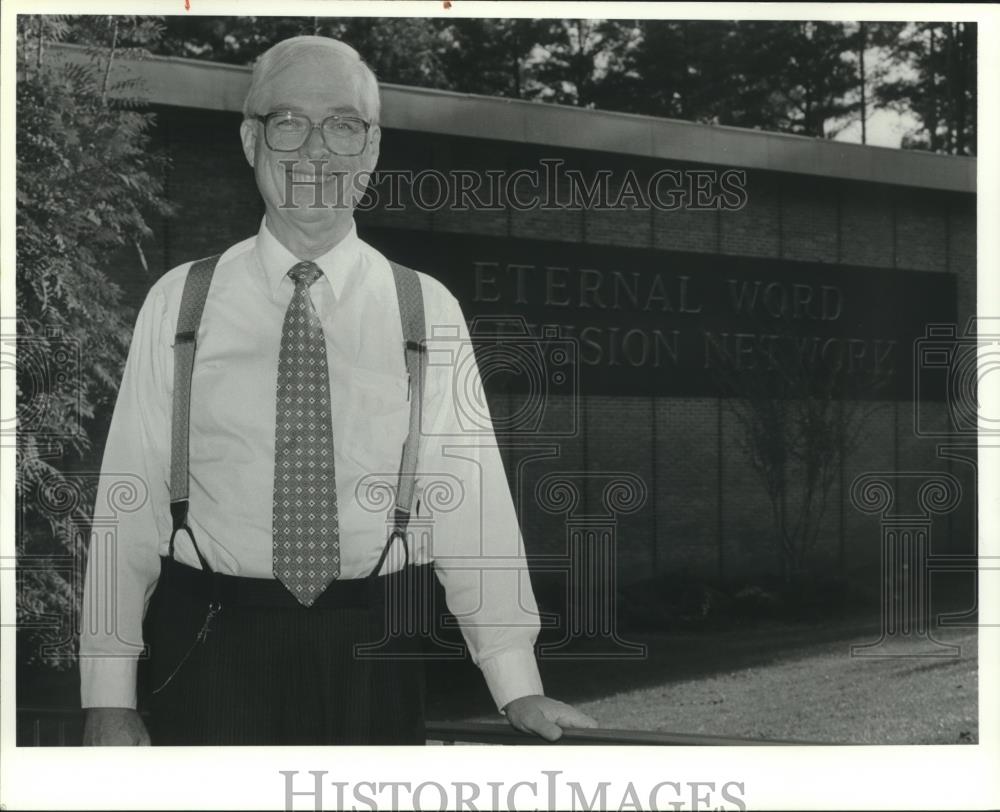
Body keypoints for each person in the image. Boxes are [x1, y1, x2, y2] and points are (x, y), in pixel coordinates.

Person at [80, 35, 597, 745]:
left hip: (375, 655)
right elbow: (127, 498)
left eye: (344, 124)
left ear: (372, 148)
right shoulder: (180, 303)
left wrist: (519, 686)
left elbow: (472, 505)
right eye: (288, 121)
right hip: (208, 652)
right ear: (250, 139)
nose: (315, 150)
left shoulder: (426, 308)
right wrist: (107, 693)